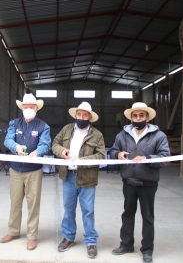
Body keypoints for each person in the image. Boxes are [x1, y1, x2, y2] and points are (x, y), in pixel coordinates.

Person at [109, 102, 170, 263]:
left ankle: (147, 249)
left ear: (147, 117)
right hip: (128, 180)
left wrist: (147, 158)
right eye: (135, 115)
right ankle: (126, 244)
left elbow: (165, 158)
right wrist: (118, 154)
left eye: (141, 115)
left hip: (148, 182)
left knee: (147, 216)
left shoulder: (159, 136)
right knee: (127, 214)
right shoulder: (122, 135)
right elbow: (113, 150)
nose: (138, 118)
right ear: (130, 118)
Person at [52, 102, 105, 259]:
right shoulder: (67, 129)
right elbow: (55, 143)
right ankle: (68, 237)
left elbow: (101, 155)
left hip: (87, 177)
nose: (81, 117)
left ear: (90, 117)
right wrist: (62, 151)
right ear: (75, 115)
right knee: (68, 209)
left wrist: (81, 159)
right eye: (79, 115)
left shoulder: (97, 135)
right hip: (68, 176)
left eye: (85, 115)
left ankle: (90, 241)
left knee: (88, 211)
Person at [0, 93, 51, 250]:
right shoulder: (14, 123)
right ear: (22, 108)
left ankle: (32, 236)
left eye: (31, 107)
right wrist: (16, 147)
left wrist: (37, 152)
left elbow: (45, 143)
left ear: (36, 108)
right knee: (15, 203)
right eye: (26, 107)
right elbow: (8, 140)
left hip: (33, 171)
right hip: (16, 169)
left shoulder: (43, 126)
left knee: (33, 204)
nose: (28, 109)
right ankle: (13, 231)